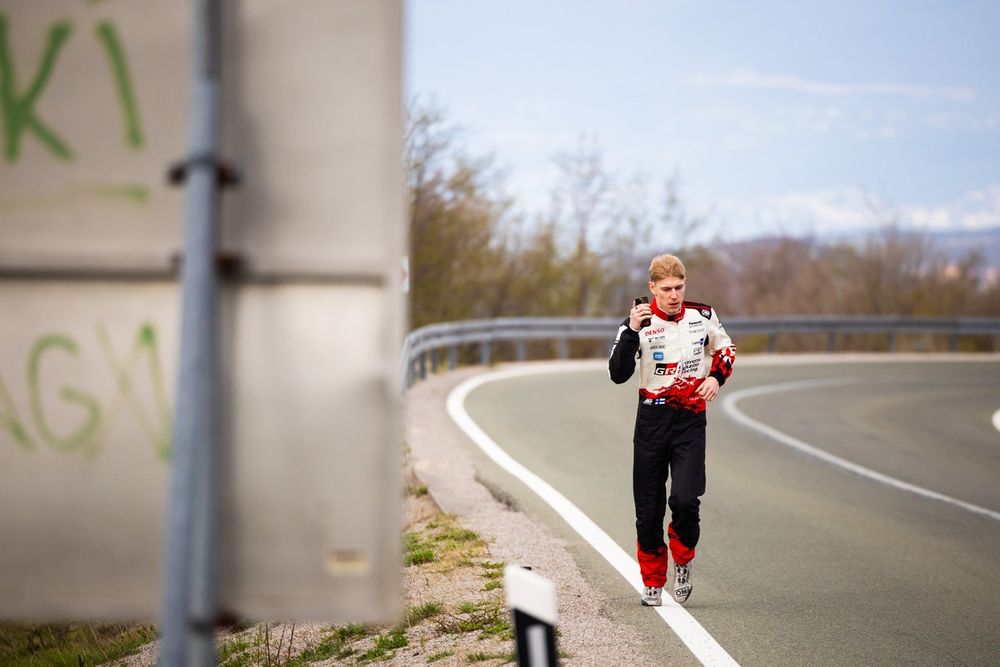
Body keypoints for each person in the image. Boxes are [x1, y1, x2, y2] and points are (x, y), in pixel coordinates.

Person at [608, 253, 735, 606]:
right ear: (652, 288)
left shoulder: (703, 315)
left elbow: (726, 350)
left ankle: (683, 559)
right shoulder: (637, 322)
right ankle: (651, 580)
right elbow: (617, 373)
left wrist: (714, 378)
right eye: (666, 289)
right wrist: (632, 330)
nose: (674, 295)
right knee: (648, 508)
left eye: (679, 287)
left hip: (690, 420)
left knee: (684, 499)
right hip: (651, 422)